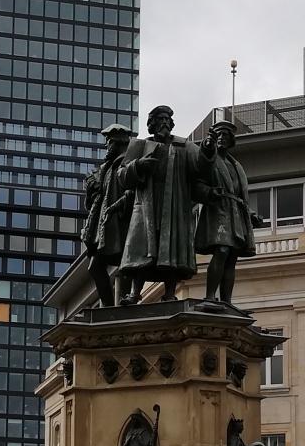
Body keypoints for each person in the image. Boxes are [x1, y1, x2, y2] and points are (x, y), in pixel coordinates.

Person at [117, 105, 211, 303]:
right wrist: (138, 165)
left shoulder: (184, 146)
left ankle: (169, 294)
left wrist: (208, 149)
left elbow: (201, 167)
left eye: (167, 119)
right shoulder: (140, 146)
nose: (165, 123)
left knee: (171, 251)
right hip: (146, 206)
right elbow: (122, 176)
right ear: (152, 124)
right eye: (160, 119)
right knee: (141, 251)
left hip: (173, 205)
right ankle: (134, 293)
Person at [194, 119, 264, 304]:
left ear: (231, 139)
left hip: (236, 213)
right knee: (222, 250)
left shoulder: (236, 165)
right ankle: (210, 295)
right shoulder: (210, 159)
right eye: (218, 135)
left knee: (232, 256)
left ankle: (227, 300)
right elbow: (198, 182)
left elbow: (241, 195)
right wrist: (210, 193)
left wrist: (251, 214)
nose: (221, 138)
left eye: (225, 135)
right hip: (218, 209)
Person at [81, 123, 135, 307]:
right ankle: (109, 307)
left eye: (109, 142)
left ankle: (122, 304)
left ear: (118, 142)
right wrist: (92, 189)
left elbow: (133, 193)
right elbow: (95, 201)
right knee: (96, 266)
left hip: (123, 222)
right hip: (107, 225)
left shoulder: (126, 163)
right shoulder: (107, 168)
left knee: (125, 263)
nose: (107, 146)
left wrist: (115, 207)